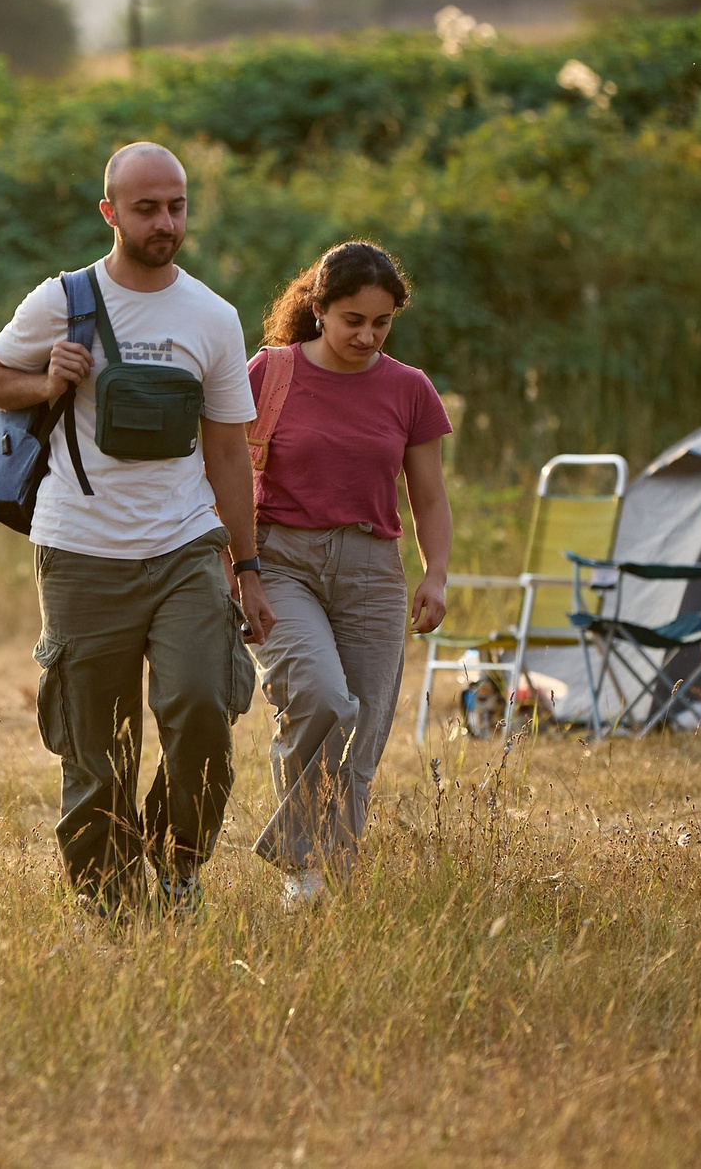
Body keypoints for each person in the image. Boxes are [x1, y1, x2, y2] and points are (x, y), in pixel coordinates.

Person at [0, 142, 269, 918]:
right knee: (97, 749)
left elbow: (231, 451)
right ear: (111, 213)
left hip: (186, 548)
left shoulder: (213, 316)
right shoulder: (63, 300)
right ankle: (110, 902)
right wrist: (47, 380)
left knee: (203, 706)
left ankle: (178, 867)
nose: (165, 221)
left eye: (175, 205)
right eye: (146, 208)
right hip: (80, 552)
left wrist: (250, 565)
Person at [245, 240, 453, 911]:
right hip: (281, 558)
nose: (366, 335)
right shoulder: (268, 373)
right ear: (319, 309)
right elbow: (220, 470)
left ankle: (329, 879)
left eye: (381, 322)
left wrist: (435, 574)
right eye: (352, 320)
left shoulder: (409, 389)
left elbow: (428, 496)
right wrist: (233, 567)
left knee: (364, 733)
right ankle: (300, 861)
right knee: (322, 700)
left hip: (371, 567)